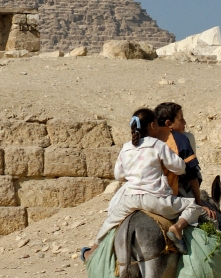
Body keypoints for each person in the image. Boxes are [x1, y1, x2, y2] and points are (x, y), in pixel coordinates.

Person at [84, 108, 210, 258]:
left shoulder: (126, 147)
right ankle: (177, 228)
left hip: (129, 199)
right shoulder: (157, 145)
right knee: (192, 206)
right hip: (154, 198)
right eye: (157, 124)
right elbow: (178, 167)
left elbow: (118, 175)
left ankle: (92, 252)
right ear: (152, 126)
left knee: (109, 223)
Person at [154, 102, 221, 278]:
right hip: (175, 193)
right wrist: (198, 201)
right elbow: (192, 176)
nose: (185, 122)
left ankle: (91, 250)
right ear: (170, 123)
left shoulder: (148, 140)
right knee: (220, 224)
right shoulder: (181, 139)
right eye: (182, 118)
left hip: (143, 194)